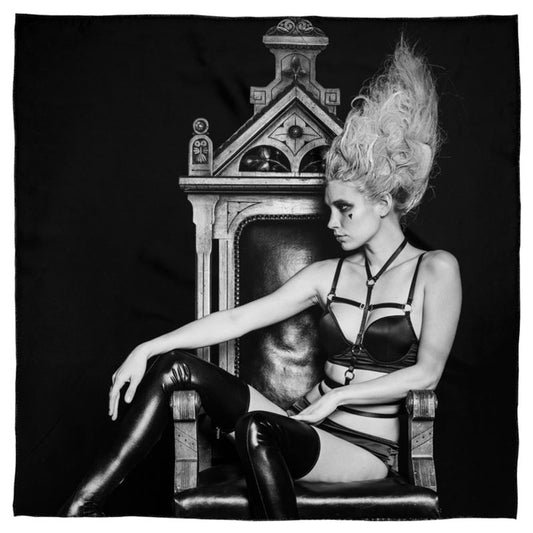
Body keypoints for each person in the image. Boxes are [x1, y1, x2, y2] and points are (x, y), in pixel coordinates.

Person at [59, 38, 461, 520]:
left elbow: (426, 374)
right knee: (175, 368)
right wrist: (146, 349)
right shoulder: (327, 275)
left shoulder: (435, 269)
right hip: (301, 426)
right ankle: (79, 512)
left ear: (383, 203)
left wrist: (338, 397)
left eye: (344, 209)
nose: (332, 222)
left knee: (258, 429)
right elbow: (236, 319)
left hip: (366, 449)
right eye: (329, 208)